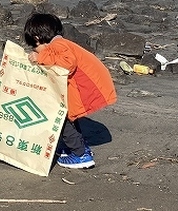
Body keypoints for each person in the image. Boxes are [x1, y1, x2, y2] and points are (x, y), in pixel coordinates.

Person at [24, 13, 117, 169]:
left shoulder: (58, 46)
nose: (35, 51)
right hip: (82, 86)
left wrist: (40, 58)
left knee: (63, 119)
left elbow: (68, 63)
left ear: (37, 38)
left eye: (35, 47)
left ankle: (80, 155)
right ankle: (79, 148)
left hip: (83, 87)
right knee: (70, 116)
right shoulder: (62, 43)